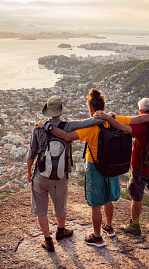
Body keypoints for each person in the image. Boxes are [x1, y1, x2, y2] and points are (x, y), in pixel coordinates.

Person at [38, 89, 149, 247]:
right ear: (103, 106)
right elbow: (139, 119)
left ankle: (97, 237)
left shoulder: (91, 127)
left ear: (90, 109)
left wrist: (47, 126)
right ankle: (109, 227)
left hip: (95, 166)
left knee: (95, 204)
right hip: (112, 165)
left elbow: (66, 136)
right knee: (108, 199)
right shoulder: (113, 120)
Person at [27, 95, 104, 252]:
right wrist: (106, 116)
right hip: (60, 176)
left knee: (41, 210)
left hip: (40, 175)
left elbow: (31, 153)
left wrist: (29, 171)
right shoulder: (68, 126)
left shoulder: (38, 128)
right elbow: (93, 122)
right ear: (61, 112)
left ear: (47, 112)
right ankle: (61, 231)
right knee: (60, 207)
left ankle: (48, 240)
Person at [94, 97, 149, 235]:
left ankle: (135, 226)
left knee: (137, 197)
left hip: (141, 168)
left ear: (140, 111)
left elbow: (124, 128)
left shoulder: (142, 127)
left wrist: (109, 118)